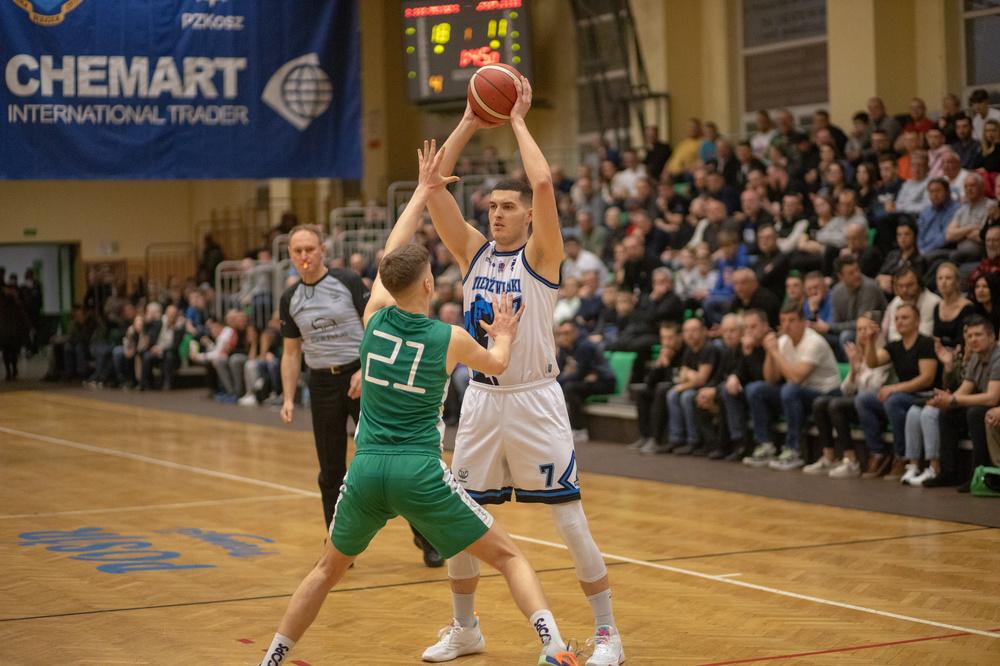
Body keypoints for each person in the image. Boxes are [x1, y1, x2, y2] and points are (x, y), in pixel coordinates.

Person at [258, 141, 579, 666]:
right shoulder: (448, 338)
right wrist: (503, 332)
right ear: (429, 283)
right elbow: (498, 364)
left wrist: (422, 191)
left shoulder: (373, 320)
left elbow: (393, 250)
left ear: (386, 284)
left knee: (324, 571)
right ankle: (553, 645)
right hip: (418, 472)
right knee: (509, 557)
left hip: (366, 470)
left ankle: (272, 657)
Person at [425, 78, 625, 665]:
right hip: (483, 399)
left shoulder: (543, 255)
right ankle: (466, 629)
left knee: (569, 520)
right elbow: (433, 189)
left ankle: (609, 635)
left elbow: (541, 183)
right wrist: (469, 119)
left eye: (506, 207)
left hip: (535, 397)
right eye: (491, 207)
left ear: (528, 216)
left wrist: (514, 119)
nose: (495, 214)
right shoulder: (472, 252)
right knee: (459, 518)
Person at [279, 222, 442, 568]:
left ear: (323, 250)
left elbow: (376, 325)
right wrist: (288, 397)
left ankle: (427, 538)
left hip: (361, 376)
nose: (305, 256)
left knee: (394, 459)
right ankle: (340, 547)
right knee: (330, 471)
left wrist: (364, 371)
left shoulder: (347, 281)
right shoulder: (289, 298)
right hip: (321, 384)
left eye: (310, 249)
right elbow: (291, 353)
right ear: (290, 255)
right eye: (298, 251)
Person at [743, 300, 842, 471]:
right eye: (783, 321)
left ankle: (793, 450)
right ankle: (765, 445)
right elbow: (771, 379)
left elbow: (796, 378)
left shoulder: (814, 342)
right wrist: (770, 352)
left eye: (792, 320)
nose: (787, 325)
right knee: (756, 389)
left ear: (803, 322)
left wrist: (775, 352)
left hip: (825, 394)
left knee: (790, 390)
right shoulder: (783, 341)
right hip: (799, 393)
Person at [855, 304, 938, 480]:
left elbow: (927, 378)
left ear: (917, 321)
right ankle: (877, 452)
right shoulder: (895, 346)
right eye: (897, 318)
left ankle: (902, 456)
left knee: (893, 401)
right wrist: (870, 340)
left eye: (905, 317)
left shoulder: (926, 343)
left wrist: (894, 388)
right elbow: (872, 363)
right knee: (864, 400)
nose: (900, 321)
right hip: (904, 395)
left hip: (925, 395)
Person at [804, 313, 890, 478]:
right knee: (820, 403)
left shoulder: (883, 354)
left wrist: (860, 369)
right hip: (858, 403)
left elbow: (875, 388)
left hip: (874, 406)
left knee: (836, 405)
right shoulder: (859, 353)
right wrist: (854, 369)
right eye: (859, 329)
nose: (862, 333)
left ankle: (851, 461)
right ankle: (829, 457)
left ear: (876, 330)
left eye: (866, 329)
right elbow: (846, 391)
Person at [923, 315, 1000, 491]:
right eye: (970, 336)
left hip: (995, 406)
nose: (973, 339)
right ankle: (948, 472)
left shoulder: (998, 357)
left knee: (975, 413)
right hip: (985, 404)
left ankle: (980, 475)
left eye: (978, 335)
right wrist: (945, 401)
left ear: (991, 337)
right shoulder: (975, 357)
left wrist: (953, 399)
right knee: (948, 413)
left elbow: (992, 397)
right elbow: (965, 389)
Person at [555, 320, 617, 444]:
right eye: (560, 334)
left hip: (604, 381)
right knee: (563, 388)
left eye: (567, 333)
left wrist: (564, 377)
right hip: (585, 381)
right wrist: (564, 377)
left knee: (570, 388)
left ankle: (580, 430)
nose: (563, 337)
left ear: (575, 333)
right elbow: (558, 372)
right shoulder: (564, 348)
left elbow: (579, 373)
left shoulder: (585, 346)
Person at [665, 317, 719, 455]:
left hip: (711, 387)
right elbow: (682, 376)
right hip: (695, 386)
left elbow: (701, 380)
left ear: (703, 331)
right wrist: (690, 376)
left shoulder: (708, 348)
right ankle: (676, 438)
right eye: (687, 331)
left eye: (694, 330)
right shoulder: (689, 350)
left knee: (686, 396)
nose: (690, 334)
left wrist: (686, 381)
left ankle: (694, 440)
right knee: (672, 394)